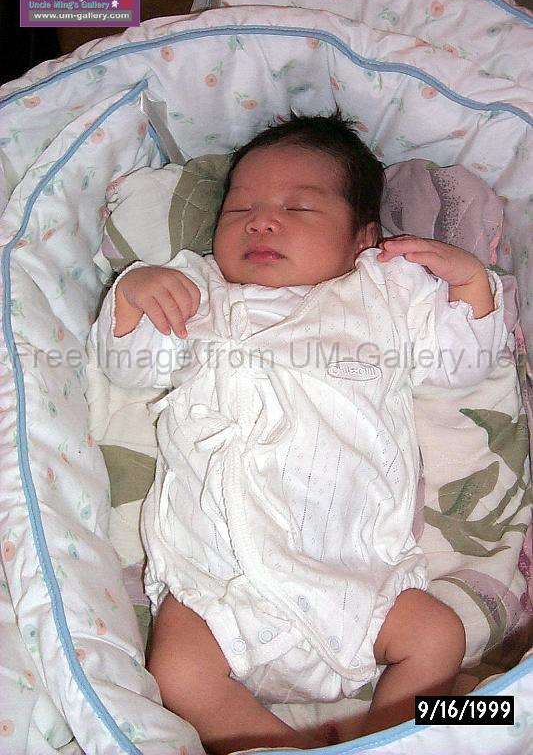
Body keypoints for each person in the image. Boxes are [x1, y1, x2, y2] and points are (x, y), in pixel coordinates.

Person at [94, 113, 506, 752]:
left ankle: (389, 738)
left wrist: (472, 284)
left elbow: (458, 368)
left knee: (437, 635)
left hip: (357, 573)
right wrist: (135, 292)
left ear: (362, 238)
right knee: (175, 671)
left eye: (298, 208)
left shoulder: (384, 293)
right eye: (240, 209)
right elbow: (130, 367)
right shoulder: (198, 288)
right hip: (221, 578)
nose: (261, 222)